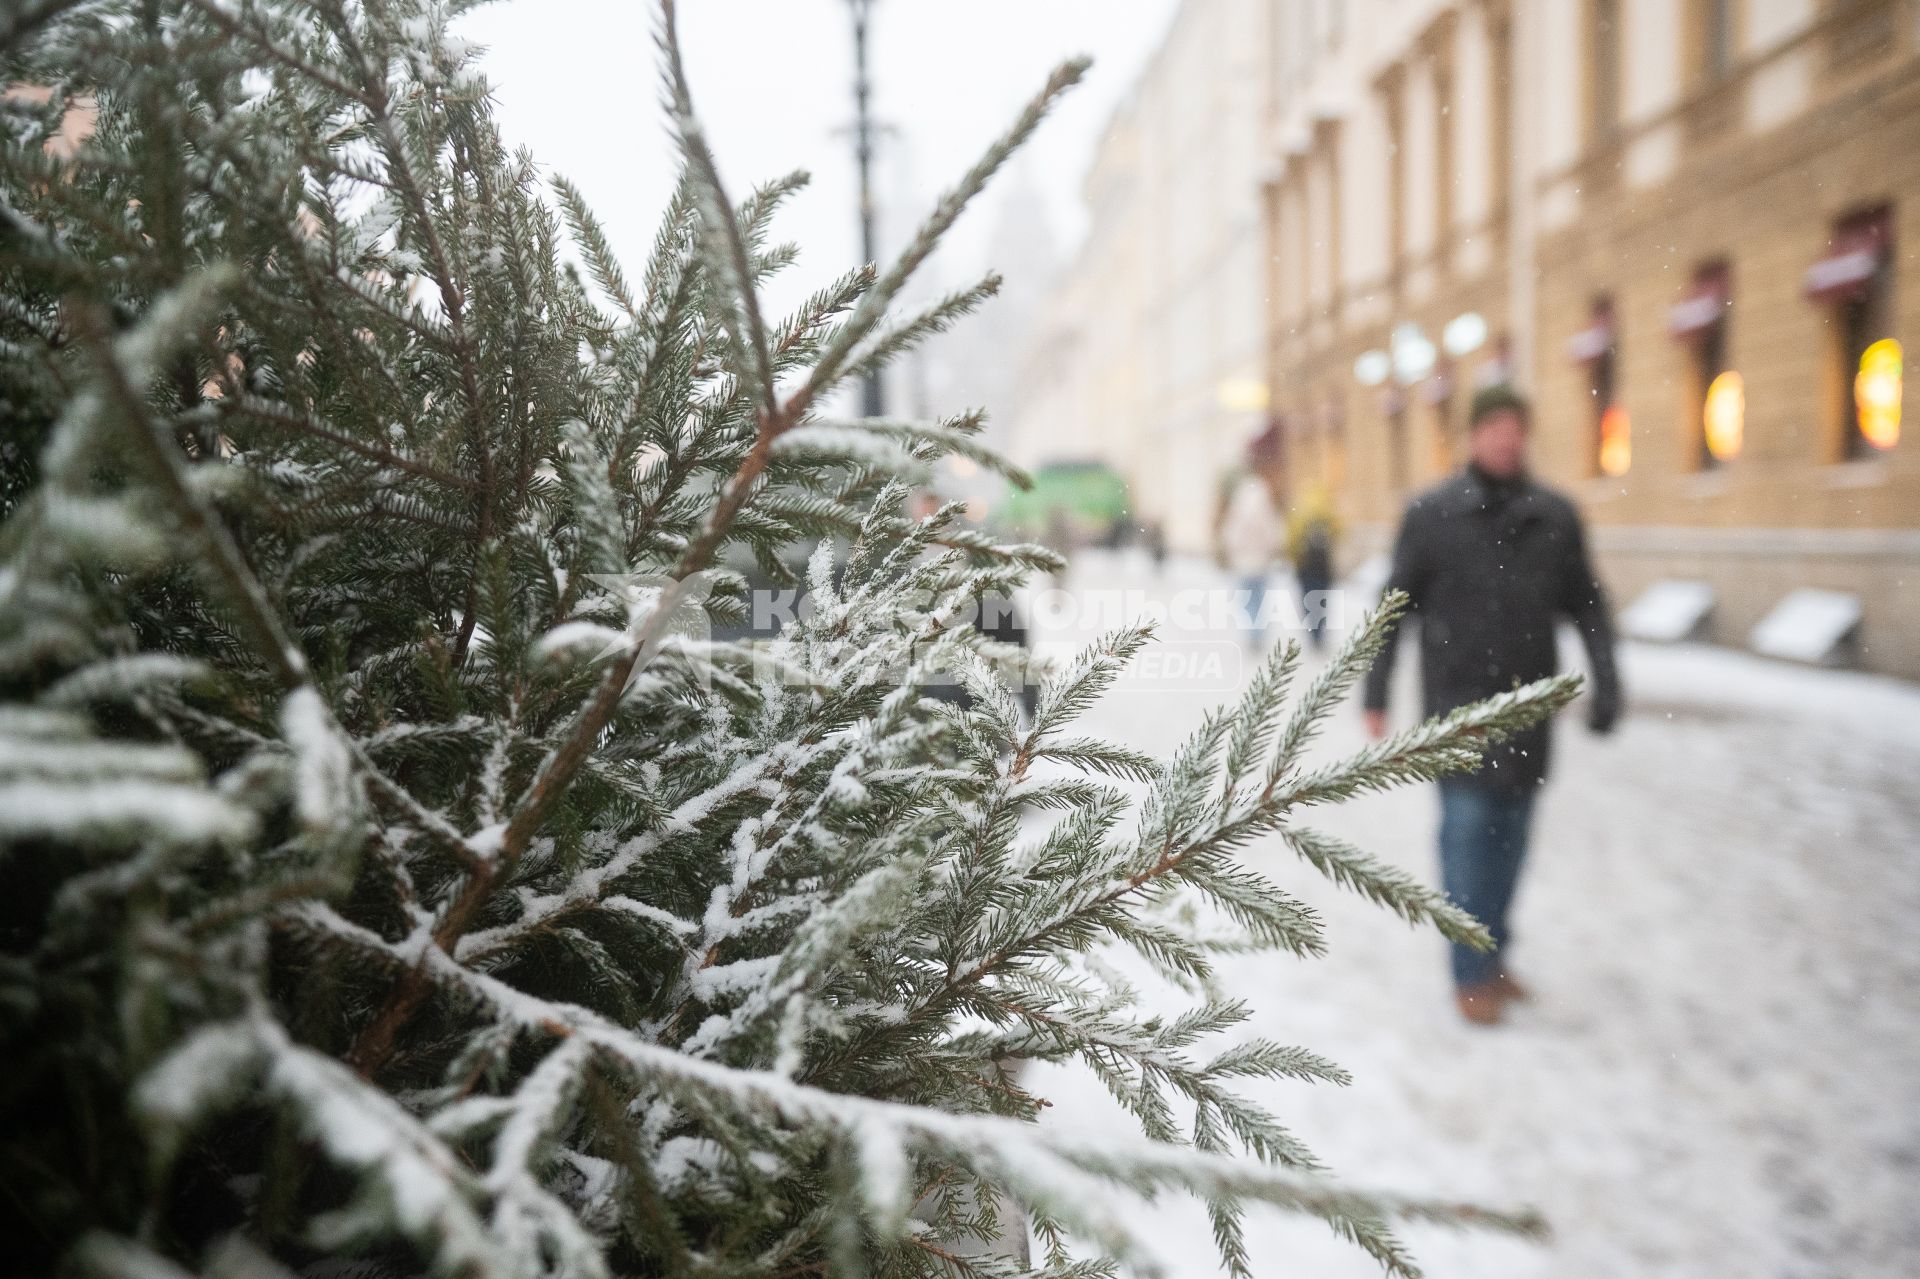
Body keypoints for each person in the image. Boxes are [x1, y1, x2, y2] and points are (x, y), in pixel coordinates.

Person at [1362, 384, 1621, 1026]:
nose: (1506, 439)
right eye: (1494, 427)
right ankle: (1470, 973)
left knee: (1511, 843)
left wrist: (1608, 679)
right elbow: (1392, 608)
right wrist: (1375, 690)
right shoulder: (1432, 515)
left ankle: (1495, 954)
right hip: (1457, 710)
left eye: (1516, 428)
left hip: (1530, 707)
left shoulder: (1553, 516)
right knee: (1466, 836)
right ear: (1473, 436)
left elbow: (1587, 603)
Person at [1219, 468, 1282, 649]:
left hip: (1244, 561)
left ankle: (1252, 630)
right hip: (1261, 561)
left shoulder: (1239, 509)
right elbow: (1273, 534)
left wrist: (1233, 551)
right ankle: (1258, 630)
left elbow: (1231, 535)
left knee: (1247, 599)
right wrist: (1271, 549)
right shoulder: (1265, 508)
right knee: (1260, 598)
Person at [1285, 482, 1341, 650]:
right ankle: (1320, 632)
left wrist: (1294, 558)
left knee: (1308, 599)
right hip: (1323, 565)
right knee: (1322, 600)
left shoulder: (1301, 511)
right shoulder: (1327, 511)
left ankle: (1313, 631)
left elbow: (1292, 537)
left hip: (1305, 565)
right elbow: (1340, 531)